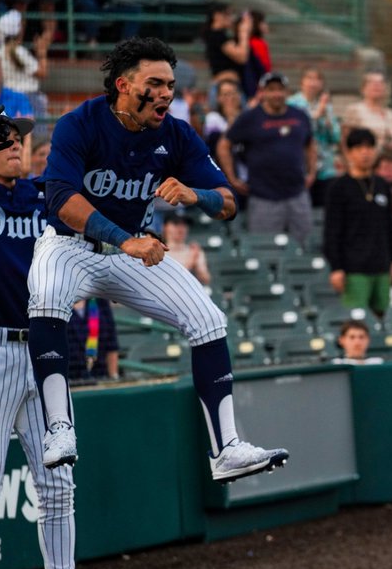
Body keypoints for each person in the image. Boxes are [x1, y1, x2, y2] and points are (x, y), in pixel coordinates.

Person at [27, 36, 288, 484]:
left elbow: (228, 203)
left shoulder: (176, 133)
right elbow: (60, 200)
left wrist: (196, 194)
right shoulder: (80, 123)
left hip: (135, 252)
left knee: (208, 319)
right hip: (71, 245)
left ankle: (225, 450)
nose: (167, 92)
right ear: (125, 85)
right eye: (157, 83)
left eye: (171, 83)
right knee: (47, 295)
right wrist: (123, 239)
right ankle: (58, 429)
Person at [0, 114, 87, 569]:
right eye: (3, 141)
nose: (14, 147)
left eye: (19, 140)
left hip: (45, 353)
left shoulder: (43, 198)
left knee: (59, 488)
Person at [218, 72, 316, 241]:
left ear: (287, 92)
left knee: (304, 245)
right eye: (271, 90)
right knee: (264, 247)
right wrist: (232, 178)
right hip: (264, 197)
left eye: (280, 89)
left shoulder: (300, 115)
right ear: (263, 92)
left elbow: (310, 143)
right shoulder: (250, 117)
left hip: (297, 194)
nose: (277, 94)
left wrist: (312, 171)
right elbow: (224, 145)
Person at [323, 128, 392, 319]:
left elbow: (389, 226)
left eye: (369, 147)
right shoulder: (338, 187)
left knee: (383, 318)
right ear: (349, 152)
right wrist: (336, 268)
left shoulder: (382, 185)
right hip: (354, 268)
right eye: (359, 148)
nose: (365, 152)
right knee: (357, 320)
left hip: (382, 264)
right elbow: (332, 231)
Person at [287, 67, 341, 206]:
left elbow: (335, 137)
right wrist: (317, 114)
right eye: (309, 78)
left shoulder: (325, 106)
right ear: (301, 82)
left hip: (326, 167)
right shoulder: (292, 104)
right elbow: (299, 132)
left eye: (317, 79)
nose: (313, 83)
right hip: (301, 165)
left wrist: (327, 119)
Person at [0, 9, 49, 123]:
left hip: (8, 102)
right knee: (35, 139)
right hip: (29, 101)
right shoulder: (19, 52)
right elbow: (43, 73)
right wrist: (42, 52)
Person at [342, 70, 392, 151]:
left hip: (385, 159)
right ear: (363, 88)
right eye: (372, 82)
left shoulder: (391, 114)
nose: (377, 85)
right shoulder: (354, 110)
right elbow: (345, 140)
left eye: (381, 83)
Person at [65, 296, 119, 382]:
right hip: (68, 380)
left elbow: (112, 346)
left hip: (100, 378)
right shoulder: (58, 304)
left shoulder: (100, 301)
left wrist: (113, 377)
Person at [202, 3, 252, 94]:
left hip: (228, 85)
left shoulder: (220, 35)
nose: (231, 18)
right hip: (225, 87)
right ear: (217, 16)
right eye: (228, 14)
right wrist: (243, 32)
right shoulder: (217, 36)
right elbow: (242, 57)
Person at [162, 212, 210, 286]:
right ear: (165, 227)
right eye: (176, 223)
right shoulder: (158, 251)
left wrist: (197, 264)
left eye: (184, 224)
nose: (181, 228)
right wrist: (190, 262)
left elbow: (205, 279)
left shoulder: (194, 250)